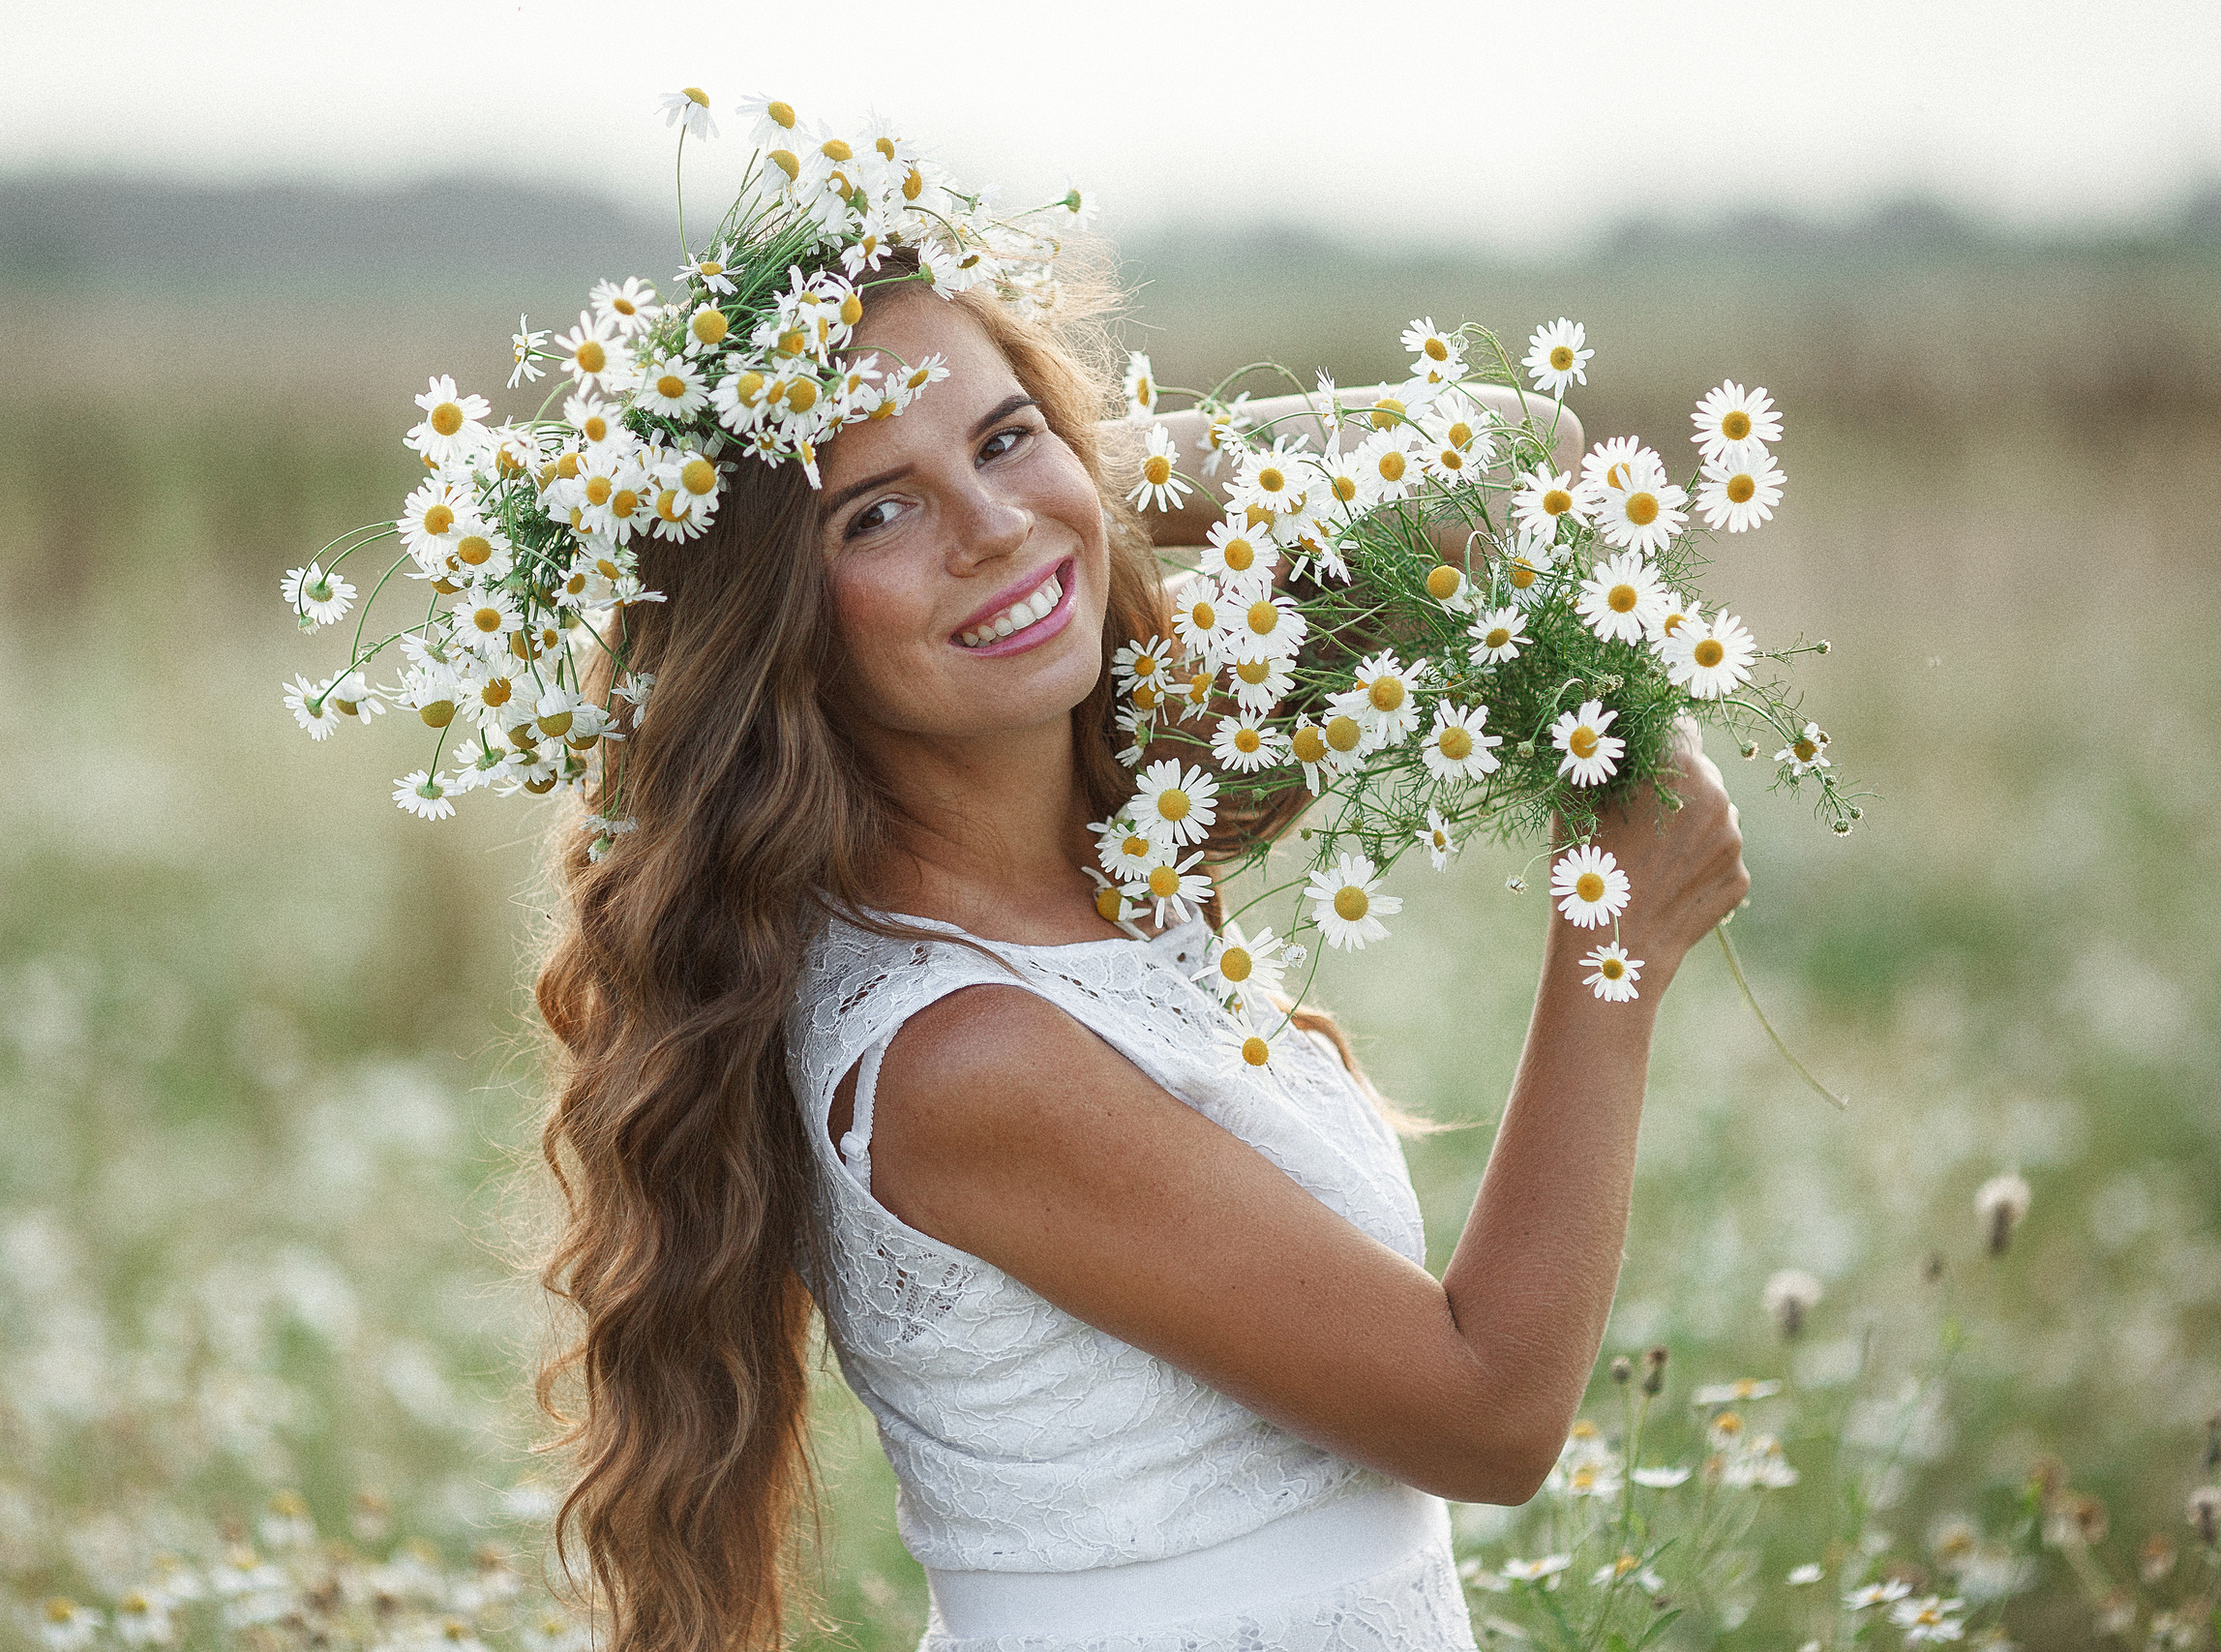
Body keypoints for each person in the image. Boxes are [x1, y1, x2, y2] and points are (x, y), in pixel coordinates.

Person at [532, 259, 1750, 1651]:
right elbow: (1489, 1419)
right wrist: (1618, 942)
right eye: (874, 515)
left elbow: (1508, 448)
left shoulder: (1120, 850)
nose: (988, 529)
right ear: (774, 627)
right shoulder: (960, 1052)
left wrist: (1058, 485)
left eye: (1004, 437)